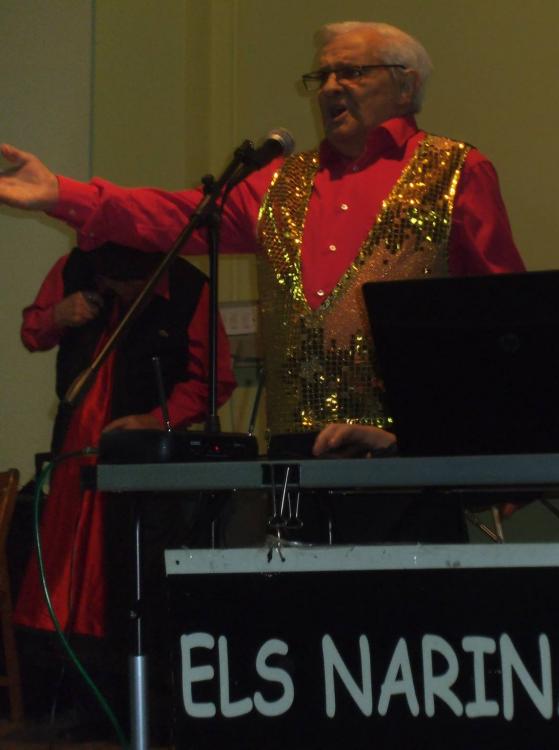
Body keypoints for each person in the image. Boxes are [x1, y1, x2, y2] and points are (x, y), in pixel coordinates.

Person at [0, 21, 525, 541]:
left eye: (351, 72)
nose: (330, 88)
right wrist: (60, 194)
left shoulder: (456, 170)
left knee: (405, 592)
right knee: (295, 590)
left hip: (404, 451)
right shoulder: (280, 183)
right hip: (293, 453)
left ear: (406, 85)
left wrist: (506, 448)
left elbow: (504, 317)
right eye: (321, 76)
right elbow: (173, 215)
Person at [14, 241, 236, 736]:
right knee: (68, 579)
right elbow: (32, 332)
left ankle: (144, 710)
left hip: (149, 464)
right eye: (111, 282)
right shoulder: (73, 269)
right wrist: (58, 315)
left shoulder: (189, 289)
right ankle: (80, 704)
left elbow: (213, 381)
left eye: (129, 282)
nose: (118, 290)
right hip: (77, 456)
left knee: (134, 577)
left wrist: (155, 418)